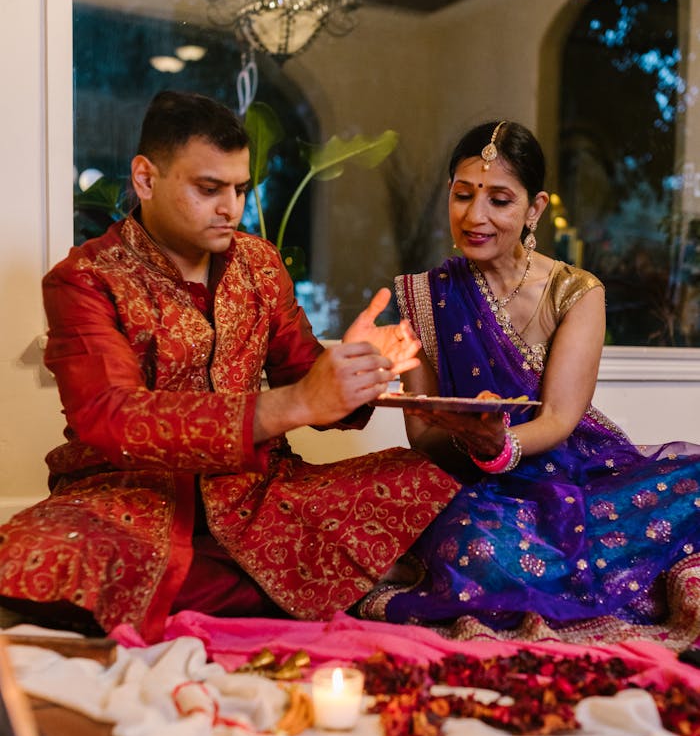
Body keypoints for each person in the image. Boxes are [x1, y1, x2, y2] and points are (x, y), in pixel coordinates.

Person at [0, 91, 504, 643]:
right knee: (35, 554)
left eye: (240, 189)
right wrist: (295, 402)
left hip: (260, 495)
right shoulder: (87, 278)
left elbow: (305, 374)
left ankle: (225, 594)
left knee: (421, 480)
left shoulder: (259, 263)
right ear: (146, 179)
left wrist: (362, 371)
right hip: (127, 499)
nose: (231, 208)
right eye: (208, 189)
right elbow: (112, 418)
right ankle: (310, 590)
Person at [358, 120, 700, 647]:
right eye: (463, 195)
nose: (476, 217)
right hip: (474, 488)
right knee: (482, 549)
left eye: (499, 199)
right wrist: (470, 437)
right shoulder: (424, 296)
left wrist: (503, 444)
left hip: (572, 472)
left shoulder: (575, 292)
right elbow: (421, 437)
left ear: (534, 208)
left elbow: (562, 418)